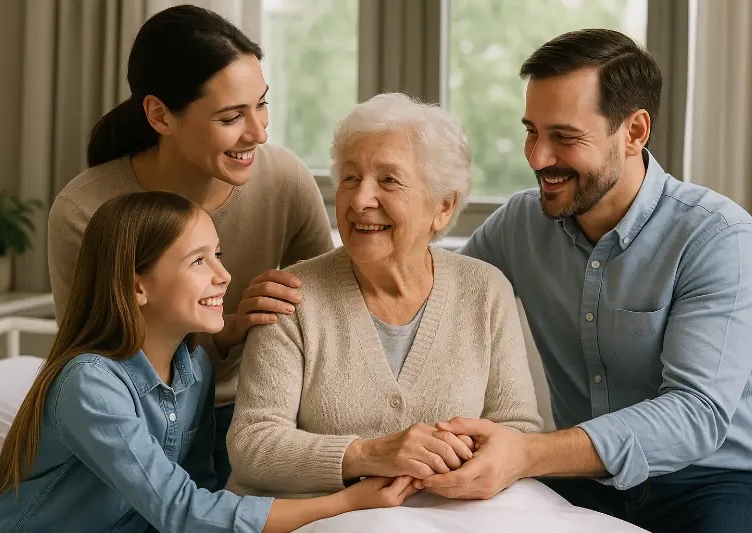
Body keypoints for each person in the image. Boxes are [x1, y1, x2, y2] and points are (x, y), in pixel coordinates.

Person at [410, 29, 752, 533]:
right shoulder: (519, 224)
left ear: (634, 132)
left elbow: (697, 413)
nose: (537, 158)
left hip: (713, 483)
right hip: (578, 481)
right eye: (532, 132)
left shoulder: (719, 236)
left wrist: (527, 453)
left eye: (564, 138)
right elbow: (431, 300)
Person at [0, 192, 416, 532]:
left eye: (218, 254)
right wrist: (345, 502)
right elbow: (183, 512)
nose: (223, 275)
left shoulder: (195, 369)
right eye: (198, 260)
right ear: (138, 287)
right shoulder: (90, 385)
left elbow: (202, 490)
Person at [46, 5, 333, 489]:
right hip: (147, 423)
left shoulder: (284, 179)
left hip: (266, 411)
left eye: (262, 104)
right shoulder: (86, 209)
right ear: (160, 115)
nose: (259, 132)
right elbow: (99, 365)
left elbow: (330, 313)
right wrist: (227, 331)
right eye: (231, 117)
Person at [225, 93, 543, 497]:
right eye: (350, 179)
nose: (360, 200)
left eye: (389, 180)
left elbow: (518, 430)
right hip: (324, 516)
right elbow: (253, 445)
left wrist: (447, 465)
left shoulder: (486, 290)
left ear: (443, 207)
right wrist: (369, 455)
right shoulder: (292, 296)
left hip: (454, 512)